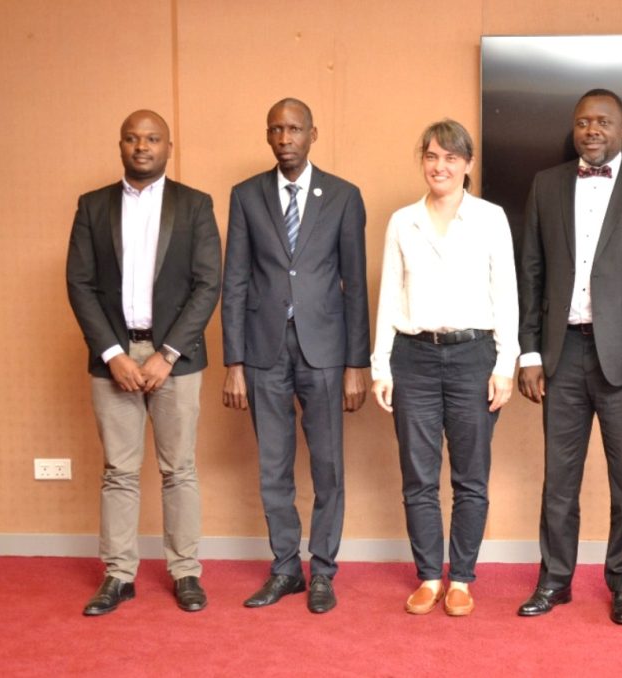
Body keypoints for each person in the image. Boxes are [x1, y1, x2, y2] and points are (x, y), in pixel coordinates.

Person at [516, 89, 622, 624]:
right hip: (561, 355)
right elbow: (532, 274)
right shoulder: (546, 184)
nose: (592, 130)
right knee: (559, 479)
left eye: (604, 122)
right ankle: (555, 581)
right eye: (584, 122)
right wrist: (529, 352)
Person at [66, 109, 221, 616]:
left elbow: (207, 284)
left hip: (175, 355)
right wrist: (112, 354)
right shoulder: (92, 206)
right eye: (132, 138)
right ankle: (118, 574)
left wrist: (167, 353)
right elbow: (80, 284)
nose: (142, 146)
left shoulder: (195, 205)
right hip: (113, 357)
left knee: (180, 469)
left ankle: (185, 572)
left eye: (153, 139)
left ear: (168, 147)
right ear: (120, 145)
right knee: (119, 471)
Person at [221, 98, 370, 614]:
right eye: (276, 130)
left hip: (326, 352)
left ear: (313, 134)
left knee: (328, 467)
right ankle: (286, 568)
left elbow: (355, 286)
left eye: (294, 129)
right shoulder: (245, 196)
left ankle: (323, 570)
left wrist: (357, 364)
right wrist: (233, 363)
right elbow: (234, 281)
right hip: (264, 351)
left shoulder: (345, 197)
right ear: (267, 136)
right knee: (272, 468)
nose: (285, 138)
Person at [371, 120, 519, 617]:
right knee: (418, 475)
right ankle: (430, 576)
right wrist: (380, 366)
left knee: (471, 477)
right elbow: (389, 295)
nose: (441, 166)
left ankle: (463, 578)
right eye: (432, 156)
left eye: (451, 158)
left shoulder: (491, 218)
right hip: (412, 357)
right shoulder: (402, 221)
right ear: (423, 161)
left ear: (468, 165)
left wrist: (505, 365)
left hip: (474, 357)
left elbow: (507, 296)